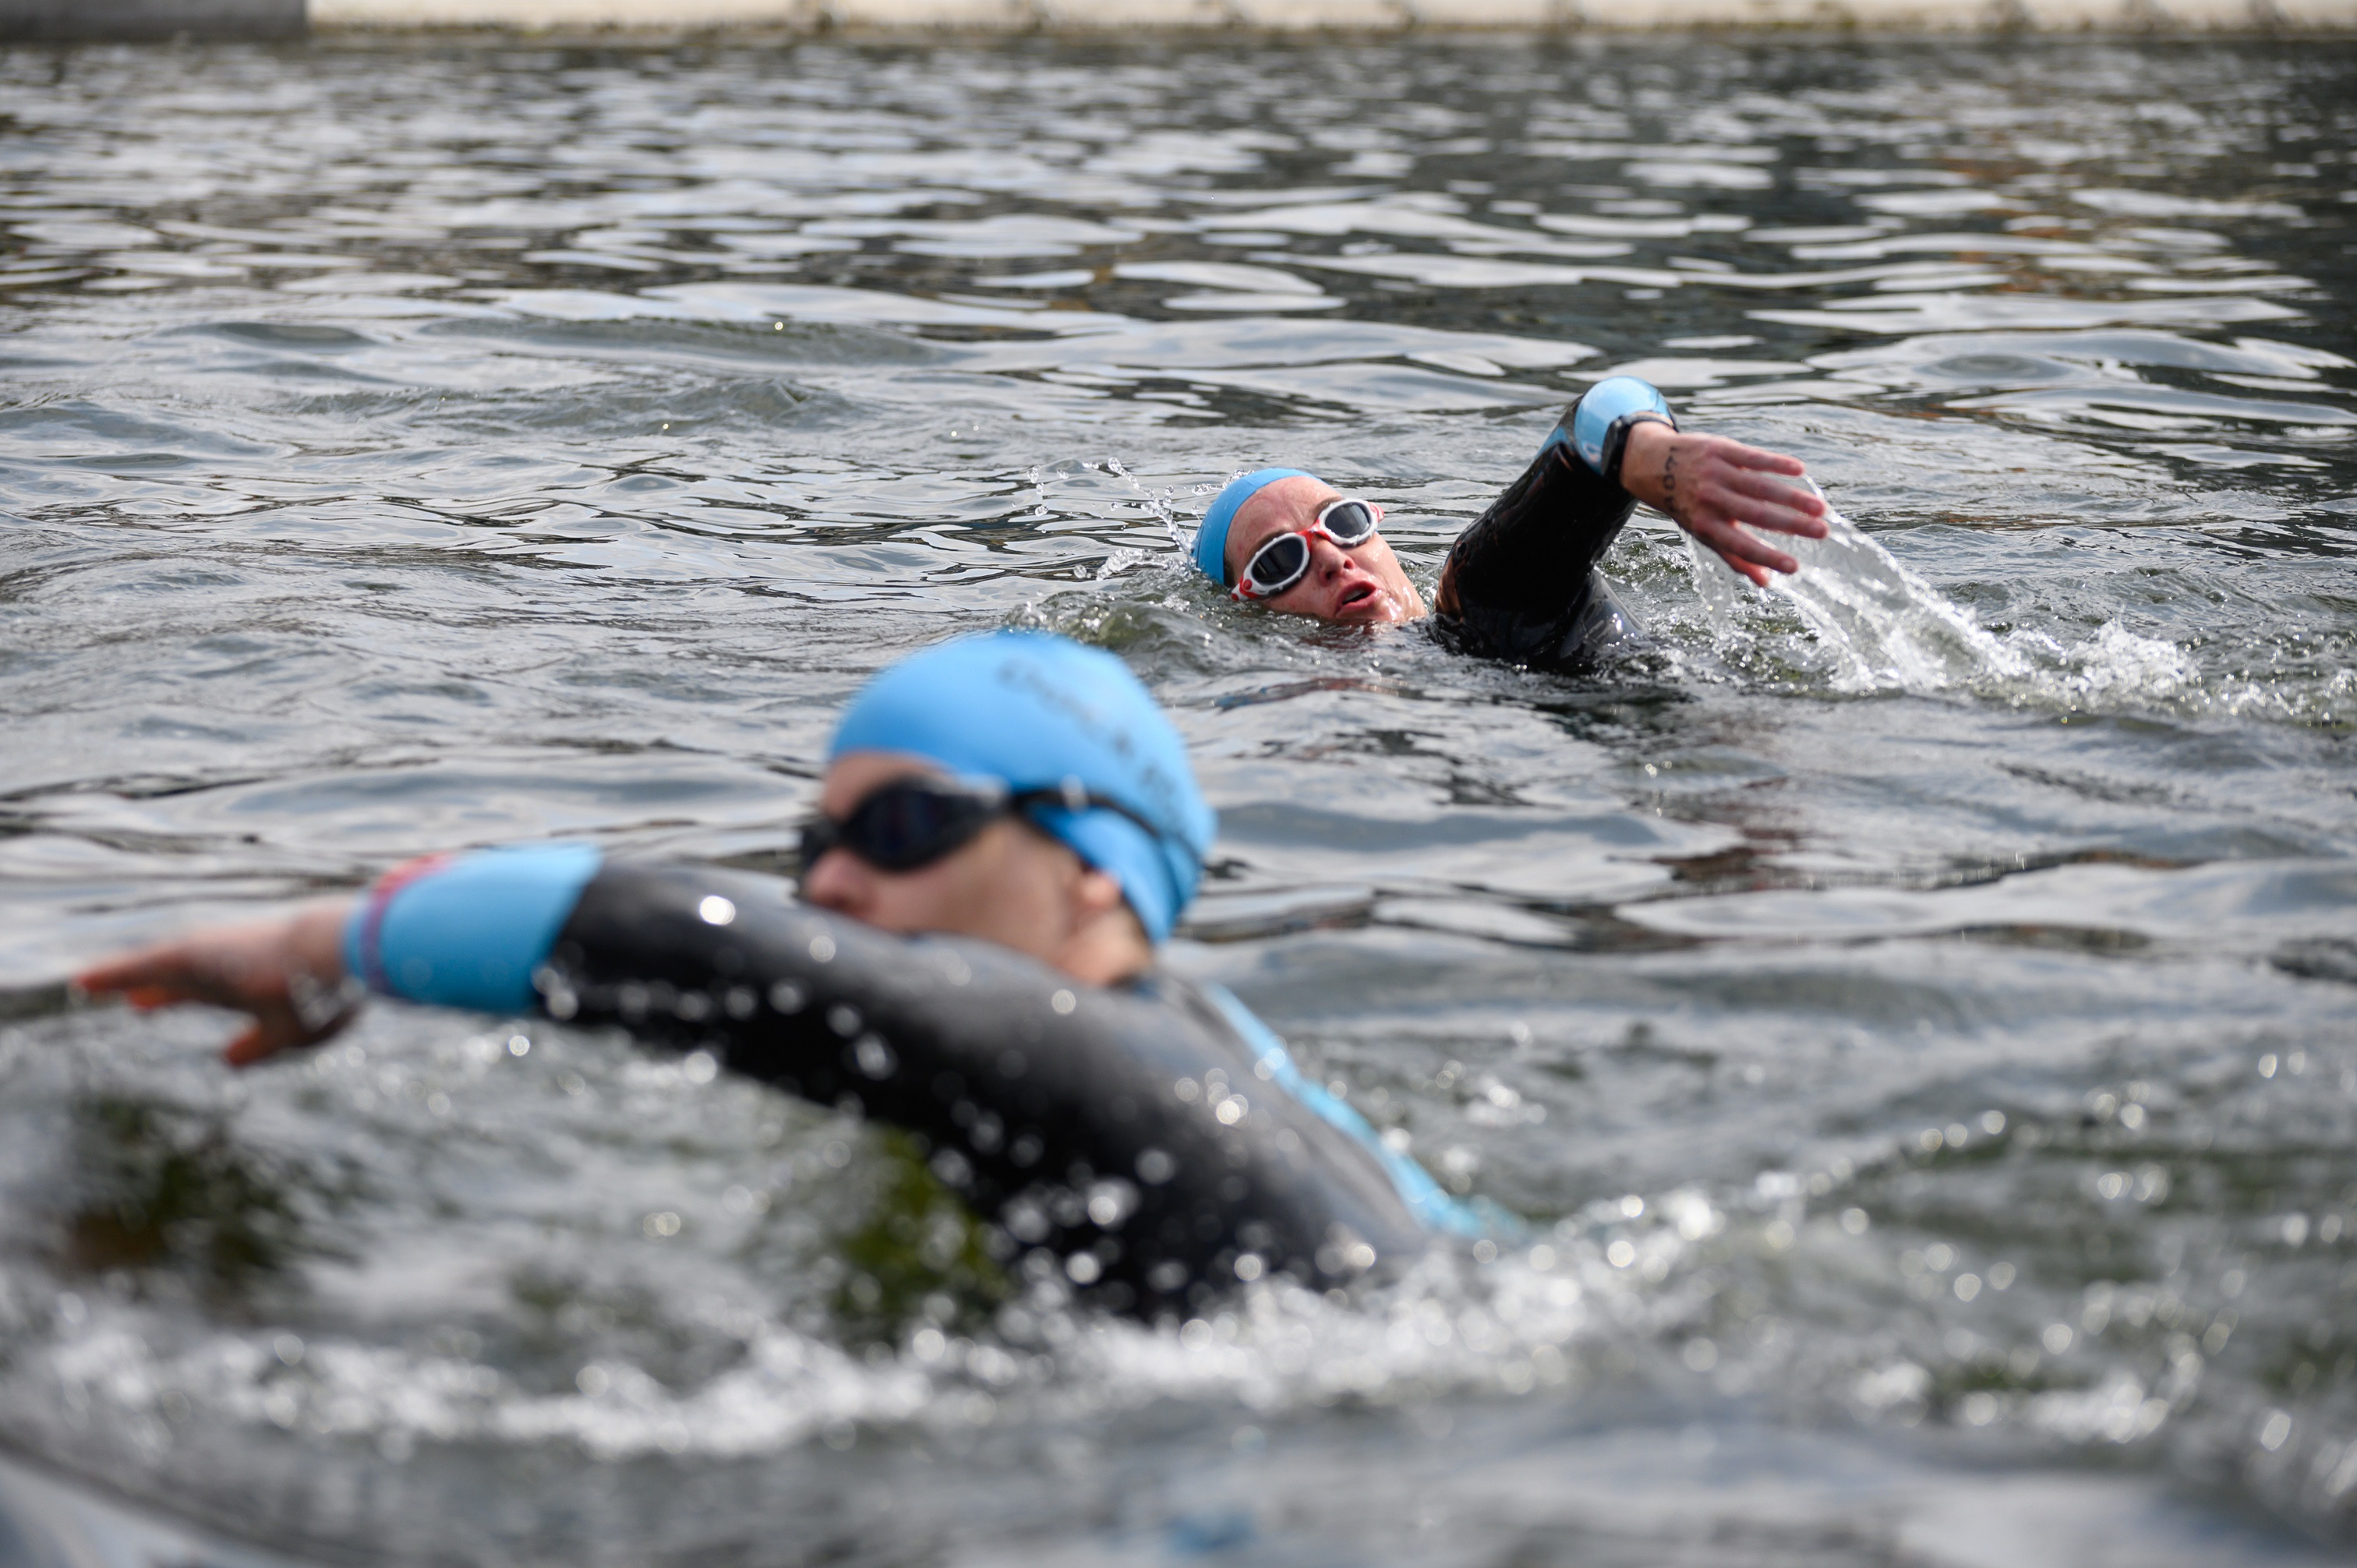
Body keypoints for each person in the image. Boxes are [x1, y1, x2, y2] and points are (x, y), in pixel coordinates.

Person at [75, 633, 1478, 1319]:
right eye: (811, 846)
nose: (831, 890)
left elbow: (683, 941)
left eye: (904, 826)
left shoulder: (1081, 1048)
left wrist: (324, 941)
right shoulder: (1201, 1044)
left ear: (1093, 864)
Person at [1190, 376, 1831, 667]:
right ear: (1246, 615)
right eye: (1280, 563)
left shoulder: (1487, 601)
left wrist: (1648, 456)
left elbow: (1595, 416)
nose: (1332, 557)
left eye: (1344, 521)